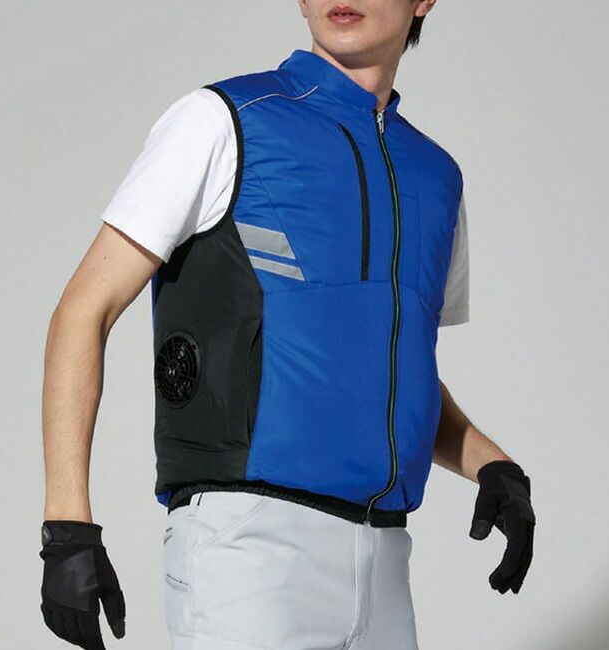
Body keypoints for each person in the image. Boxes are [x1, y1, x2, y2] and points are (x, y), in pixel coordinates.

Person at [39, 1, 537, 649]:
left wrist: (493, 466)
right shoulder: (224, 121)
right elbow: (84, 309)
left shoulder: (436, 177)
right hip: (248, 549)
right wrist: (67, 528)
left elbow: (393, 374)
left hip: (386, 561)